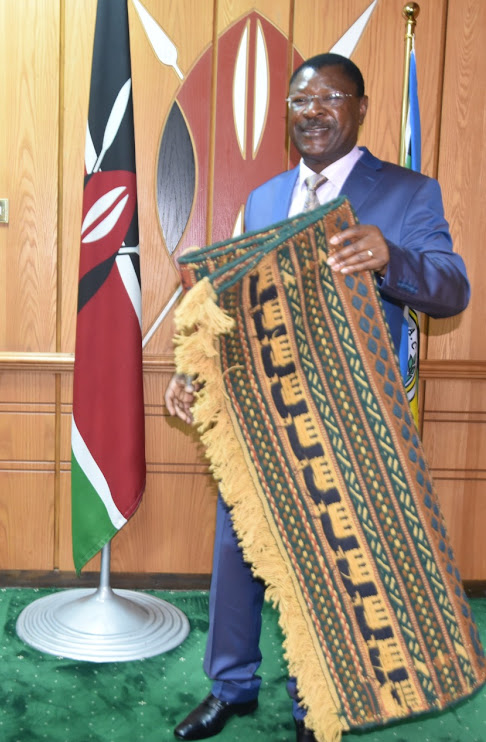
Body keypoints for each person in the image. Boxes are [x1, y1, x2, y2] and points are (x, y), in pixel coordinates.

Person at [165, 53, 469, 742]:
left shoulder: (408, 192)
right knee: (238, 549)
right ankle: (231, 686)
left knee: (334, 567)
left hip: (351, 418)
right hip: (259, 411)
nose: (312, 111)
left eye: (330, 98)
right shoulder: (265, 197)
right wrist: (196, 368)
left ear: (361, 108)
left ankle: (318, 710)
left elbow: (453, 287)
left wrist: (393, 257)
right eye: (301, 100)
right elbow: (229, 301)